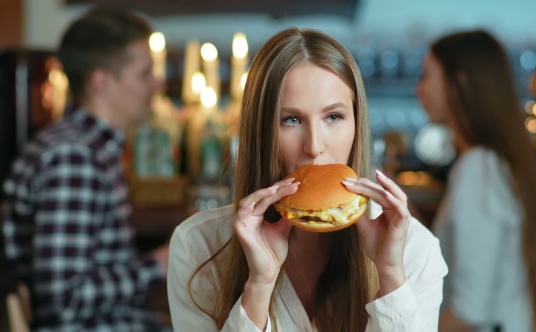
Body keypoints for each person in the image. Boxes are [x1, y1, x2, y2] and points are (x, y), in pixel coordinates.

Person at [167, 27, 448, 332]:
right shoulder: (198, 246)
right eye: (291, 120)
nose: (314, 146)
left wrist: (391, 276)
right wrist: (259, 286)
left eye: (333, 117)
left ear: (357, 123)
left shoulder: (415, 250)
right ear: (260, 132)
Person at [1, 9, 170, 331]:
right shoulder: (73, 158)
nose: (158, 83)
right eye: (145, 73)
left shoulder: (82, 146)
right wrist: (162, 262)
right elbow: (63, 300)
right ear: (100, 81)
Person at [416, 30, 536, 332]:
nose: (418, 89)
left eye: (426, 76)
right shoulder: (491, 164)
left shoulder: (479, 169)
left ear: (457, 84)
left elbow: (468, 313)